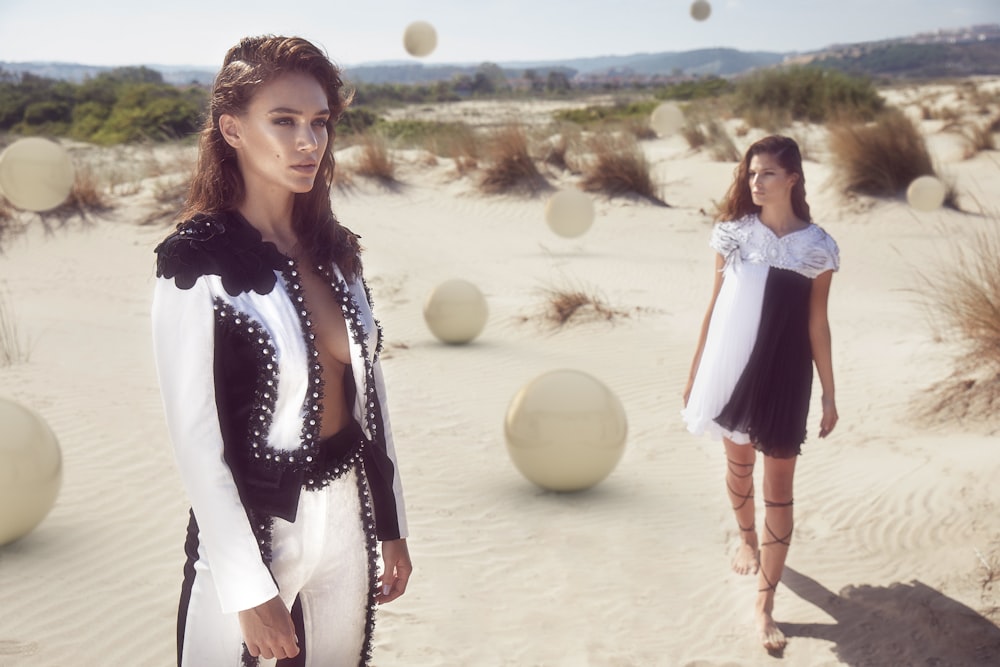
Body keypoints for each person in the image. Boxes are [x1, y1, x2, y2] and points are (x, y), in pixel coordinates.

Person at [151, 35, 411, 667]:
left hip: (348, 518)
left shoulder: (337, 251)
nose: (308, 143)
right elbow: (194, 439)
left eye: (319, 123)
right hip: (251, 526)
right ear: (232, 129)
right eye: (284, 121)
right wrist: (246, 585)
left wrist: (392, 522)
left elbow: (370, 399)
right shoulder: (195, 261)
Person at [681, 135, 839, 652]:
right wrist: (696, 371)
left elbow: (819, 324)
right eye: (751, 174)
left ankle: (764, 603)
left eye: (767, 173)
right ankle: (745, 537)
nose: (756, 182)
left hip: (787, 374)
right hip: (732, 368)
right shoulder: (731, 235)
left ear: (792, 179)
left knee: (780, 488)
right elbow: (712, 308)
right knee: (739, 467)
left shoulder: (818, 246)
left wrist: (830, 394)